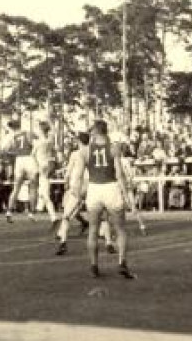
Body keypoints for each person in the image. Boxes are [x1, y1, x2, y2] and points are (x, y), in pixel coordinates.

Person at [70, 119, 135, 279]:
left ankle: (93, 266)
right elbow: (119, 174)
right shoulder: (114, 148)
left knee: (93, 230)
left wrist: (78, 195)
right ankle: (122, 263)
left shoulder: (84, 151)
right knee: (120, 230)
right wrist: (126, 196)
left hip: (94, 189)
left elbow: (77, 177)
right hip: (111, 188)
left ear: (94, 132)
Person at [55, 132, 91, 255]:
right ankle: (108, 241)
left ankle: (63, 242)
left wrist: (66, 182)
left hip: (78, 186)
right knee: (101, 215)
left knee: (66, 215)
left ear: (79, 141)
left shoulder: (76, 154)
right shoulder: (93, 152)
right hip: (93, 186)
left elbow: (69, 170)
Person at [4, 120, 39, 222]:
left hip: (19, 160)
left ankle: (9, 211)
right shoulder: (27, 133)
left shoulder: (12, 136)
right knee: (33, 187)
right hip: (29, 158)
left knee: (16, 188)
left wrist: (15, 152)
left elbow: (6, 149)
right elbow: (36, 144)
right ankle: (31, 213)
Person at [33, 121, 60, 228]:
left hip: (44, 168)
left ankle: (53, 217)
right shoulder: (49, 140)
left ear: (41, 131)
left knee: (44, 194)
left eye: (38, 129)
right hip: (46, 168)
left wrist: (37, 166)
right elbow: (53, 132)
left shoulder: (40, 142)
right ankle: (38, 210)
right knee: (42, 193)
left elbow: (32, 155)